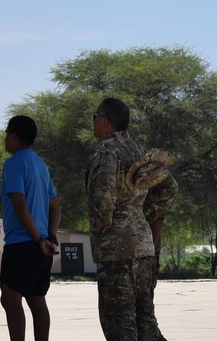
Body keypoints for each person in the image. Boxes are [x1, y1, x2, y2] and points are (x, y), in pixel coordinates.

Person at [87, 97, 177, 341]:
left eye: (95, 117)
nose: (93, 122)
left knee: (119, 322)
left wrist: (102, 221)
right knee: (145, 320)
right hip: (143, 246)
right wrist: (148, 218)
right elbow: (169, 187)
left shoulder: (107, 150)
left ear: (106, 121)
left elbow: (103, 191)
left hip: (117, 250)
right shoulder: (139, 150)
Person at [0, 114, 60, 341]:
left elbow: (20, 206)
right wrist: (50, 235)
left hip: (23, 243)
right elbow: (55, 206)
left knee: (10, 296)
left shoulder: (14, 163)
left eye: (7, 135)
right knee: (36, 298)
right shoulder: (40, 165)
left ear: (13, 136)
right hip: (41, 245)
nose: (5, 139)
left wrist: (37, 239)